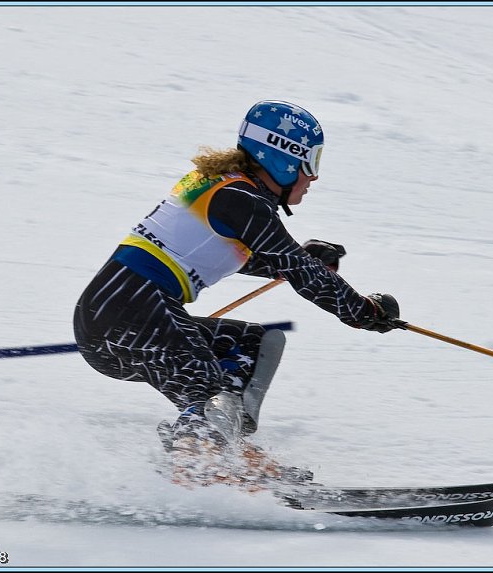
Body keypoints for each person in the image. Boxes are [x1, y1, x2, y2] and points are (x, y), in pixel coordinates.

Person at [73, 100, 401, 482]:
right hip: (131, 309)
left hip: (122, 311)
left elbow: (234, 254)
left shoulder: (231, 190)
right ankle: (197, 469)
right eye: (310, 163)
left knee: (254, 346)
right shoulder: (239, 197)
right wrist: (361, 310)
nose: (313, 177)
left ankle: (223, 459)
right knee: (209, 390)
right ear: (283, 158)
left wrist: (297, 258)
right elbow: (298, 271)